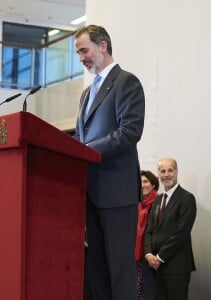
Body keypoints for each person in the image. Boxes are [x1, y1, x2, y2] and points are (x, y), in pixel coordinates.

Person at [73, 25, 145, 300]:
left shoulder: (127, 82)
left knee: (119, 270)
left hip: (116, 194)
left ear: (103, 46)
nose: (81, 58)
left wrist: (87, 150)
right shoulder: (85, 94)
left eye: (84, 50)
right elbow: (78, 137)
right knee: (96, 270)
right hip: (90, 192)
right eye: (79, 52)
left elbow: (130, 131)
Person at [144, 158, 196, 300]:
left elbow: (182, 234)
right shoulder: (157, 200)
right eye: (162, 171)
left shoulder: (187, 198)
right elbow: (149, 230)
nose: (166, 174)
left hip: (177, 267)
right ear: (159, 174)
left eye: (170, 170)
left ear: (176, 172)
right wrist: (148, 254)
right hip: (156, 267)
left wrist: (160, 257)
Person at [136, 170, 159, 300]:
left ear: (153, 184)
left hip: (153, 257)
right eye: (140, 182)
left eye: (145, 181)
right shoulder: (136, 204)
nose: (143, 185)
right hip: (137, 257)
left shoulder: (159, 203)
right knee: (138, 292)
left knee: (150, 292)